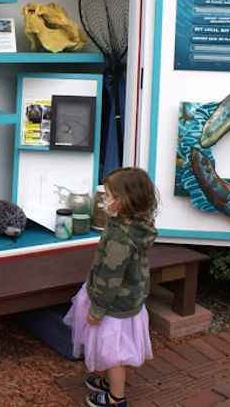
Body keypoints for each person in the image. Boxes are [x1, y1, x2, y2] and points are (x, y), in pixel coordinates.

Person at [64, 167, 159, 407]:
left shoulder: (120, 237)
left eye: (108, 196)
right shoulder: (137, 224)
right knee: (112, 348)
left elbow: (110, 277)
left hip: (112, 304)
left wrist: (97, 310)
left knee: (114, 353)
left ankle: (116, 399)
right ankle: (108, 383)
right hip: (130, 298)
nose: (104, 200)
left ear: (124, 202)